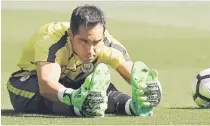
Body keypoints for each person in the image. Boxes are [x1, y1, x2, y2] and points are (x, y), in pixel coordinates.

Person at [7, 4, 162, 117]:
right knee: (58, 95)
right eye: (83, 41)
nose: (90, 50)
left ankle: (132, 108)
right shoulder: (51, 39)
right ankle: (81, 107)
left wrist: (146, 90)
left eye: (96, 42)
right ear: (70, 34)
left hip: (73, 82)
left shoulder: (108, 44)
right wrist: (74, 97)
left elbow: (133, 73)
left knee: (102, 90)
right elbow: (47, 84)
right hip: (27, 85)